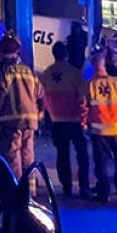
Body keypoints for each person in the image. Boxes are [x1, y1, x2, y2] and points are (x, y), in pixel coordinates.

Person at [85, 50, 117, 203]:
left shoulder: (90, 85)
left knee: (101, 163)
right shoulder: (116, 83)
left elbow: (84, 107)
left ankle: (103, 193)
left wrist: (83, 124)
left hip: (98, 130)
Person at [0, 35, 44, 177]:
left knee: (12, 156)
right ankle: (29, 191)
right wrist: (40, 113)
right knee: (28, 155)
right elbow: (40, 94)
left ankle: (17, 192)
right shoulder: (29, 71)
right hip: (31, 121)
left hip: (11, 121)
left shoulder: (3, 71)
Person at [40, 41, 90, 198]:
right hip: (74, 120)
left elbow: (41, 98)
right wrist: (83, 120)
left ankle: (66, 187)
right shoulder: (74, 73)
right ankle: (84, 187)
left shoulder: (46, 74)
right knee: (82, 154)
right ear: (66, 54)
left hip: (57, 121)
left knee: (62, 155)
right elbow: (82, 99)